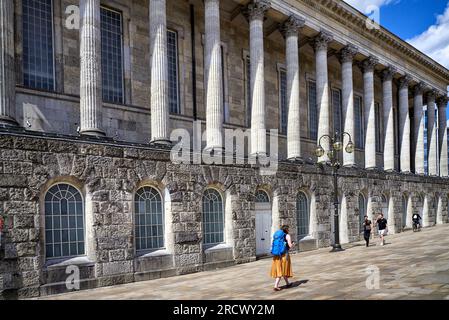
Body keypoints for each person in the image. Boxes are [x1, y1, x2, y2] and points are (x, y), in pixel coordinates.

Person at [270, 225, 295, 291]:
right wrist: (293, 244)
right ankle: (276, 286)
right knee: (282, 269)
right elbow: (290, 245)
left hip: (276, 255)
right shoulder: (287, 236)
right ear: (287, 229)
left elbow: (272, 244)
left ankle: (287, 283)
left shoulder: (277, 236)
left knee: (280, 269)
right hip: (284, 255)